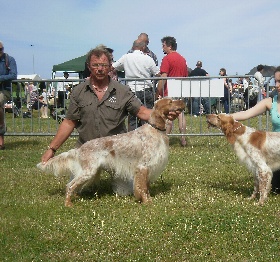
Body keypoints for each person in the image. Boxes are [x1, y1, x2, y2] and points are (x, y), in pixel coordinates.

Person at [40, 46, 181, 195]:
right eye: (95, 65)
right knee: (80, 190)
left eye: (104, 65)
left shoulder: (122, 91)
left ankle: (119, 181)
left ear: (110, 67)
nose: (100, 69)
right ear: (89, 67)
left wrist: (162, 113)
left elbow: (141, 111)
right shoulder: (78, 91)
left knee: (124, 192)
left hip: (117, 153)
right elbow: (69, 122)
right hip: (89, 150)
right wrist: (52, 149)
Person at [231, 65, 280, 197]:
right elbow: (246, 114)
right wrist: (224, 117)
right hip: (275, 156)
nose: (277, 85)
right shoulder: (270, 102)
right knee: (275, 190)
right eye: (276, 81)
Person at [113, 39, 160, 130]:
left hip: (131, 91)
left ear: (133, 47)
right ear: (143, 47)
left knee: (132, 118)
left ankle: (133, 140)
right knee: (147, 117)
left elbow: (113, 67)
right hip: (146, 90)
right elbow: (157, 73)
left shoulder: (126, 57)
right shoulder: (148, 58)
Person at [156, 36, 188, 146]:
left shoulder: (167, 59)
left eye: (163, 45)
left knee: (168, 116)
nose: (162, 48)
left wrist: (158, 91)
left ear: (169, 46)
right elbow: (185, 76)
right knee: (180, 115)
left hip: (169, 91)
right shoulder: (183, 59)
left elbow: (163, 77)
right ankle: (183, 139)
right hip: (181, 89)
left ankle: (165, 140)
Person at [0, 41, 18, 150]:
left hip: (4, 90)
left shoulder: (9, 59)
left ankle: (1, 125)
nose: (0, 51)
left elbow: (13, 75)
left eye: (1, 49)